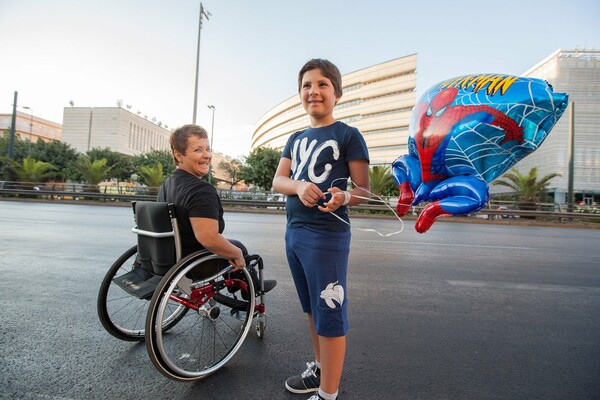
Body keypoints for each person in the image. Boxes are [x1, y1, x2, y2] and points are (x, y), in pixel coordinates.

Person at [272, 59, 370, 400]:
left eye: (322, 84)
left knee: (329, 312)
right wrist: (299, 186)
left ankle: (328, 394)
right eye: (306, 85)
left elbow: (364, 190)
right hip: (294, 233)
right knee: (312, 308)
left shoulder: (348, 134)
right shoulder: (295, 137)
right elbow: (278, 180)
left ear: (337, 93)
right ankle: (318, 369)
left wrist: (343, 196)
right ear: (300, 94)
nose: (313, 90)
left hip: (327, 237)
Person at [158, 124, 276, 291]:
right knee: (238, 248)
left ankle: (238, 284)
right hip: (192, 264)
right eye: (198, 150)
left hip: (166, 257)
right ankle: (251, 287)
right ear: (179, 155)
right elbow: (208, 238)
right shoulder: (200, 190)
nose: (206, 155)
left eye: (207, 148)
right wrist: (237, 255)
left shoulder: (168, 184)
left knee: (232, 245)